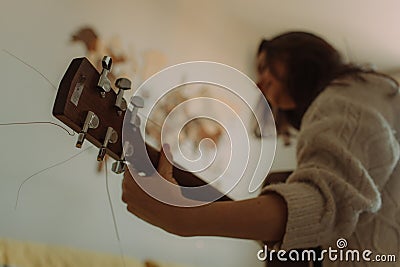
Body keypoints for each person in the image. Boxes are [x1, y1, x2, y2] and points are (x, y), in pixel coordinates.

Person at [122, 31, 400, 266]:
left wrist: (184, 218)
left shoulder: (346, 92)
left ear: (298, 56)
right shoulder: (357, 99)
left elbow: (322, 205)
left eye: (266, 67)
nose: (260, 81)